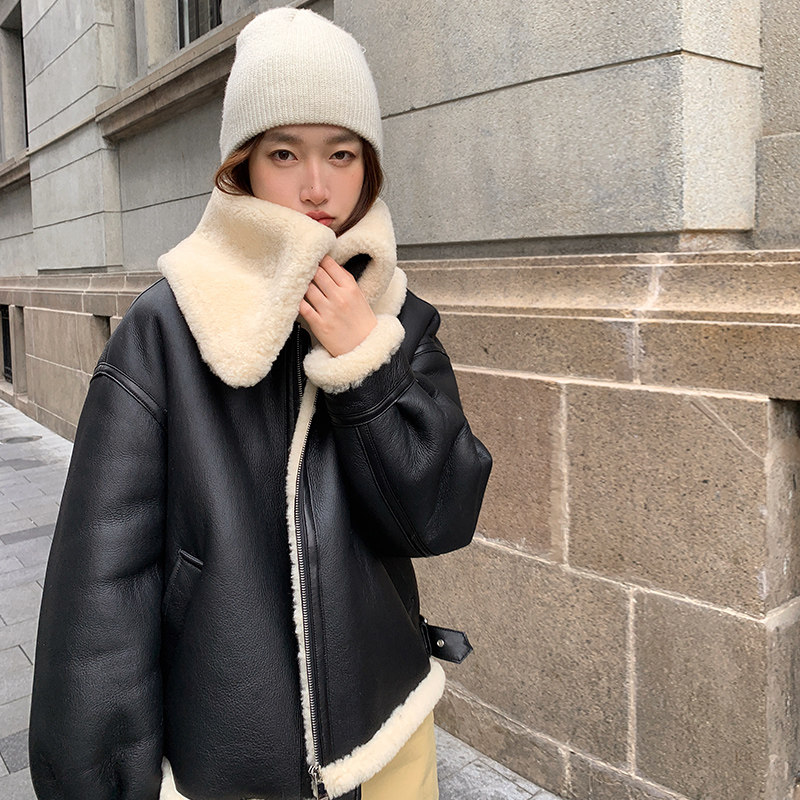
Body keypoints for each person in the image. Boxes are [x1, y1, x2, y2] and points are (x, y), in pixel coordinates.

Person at [28, 8, 492, 800]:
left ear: (369, 166)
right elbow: (104, 589)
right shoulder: (167, 329)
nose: (317, 187)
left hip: (391, 734)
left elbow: (438, 521)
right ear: (242, 165)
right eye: (284, 153)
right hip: (231, 761)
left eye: (342, 154)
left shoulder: (397, 317)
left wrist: (365, 365)